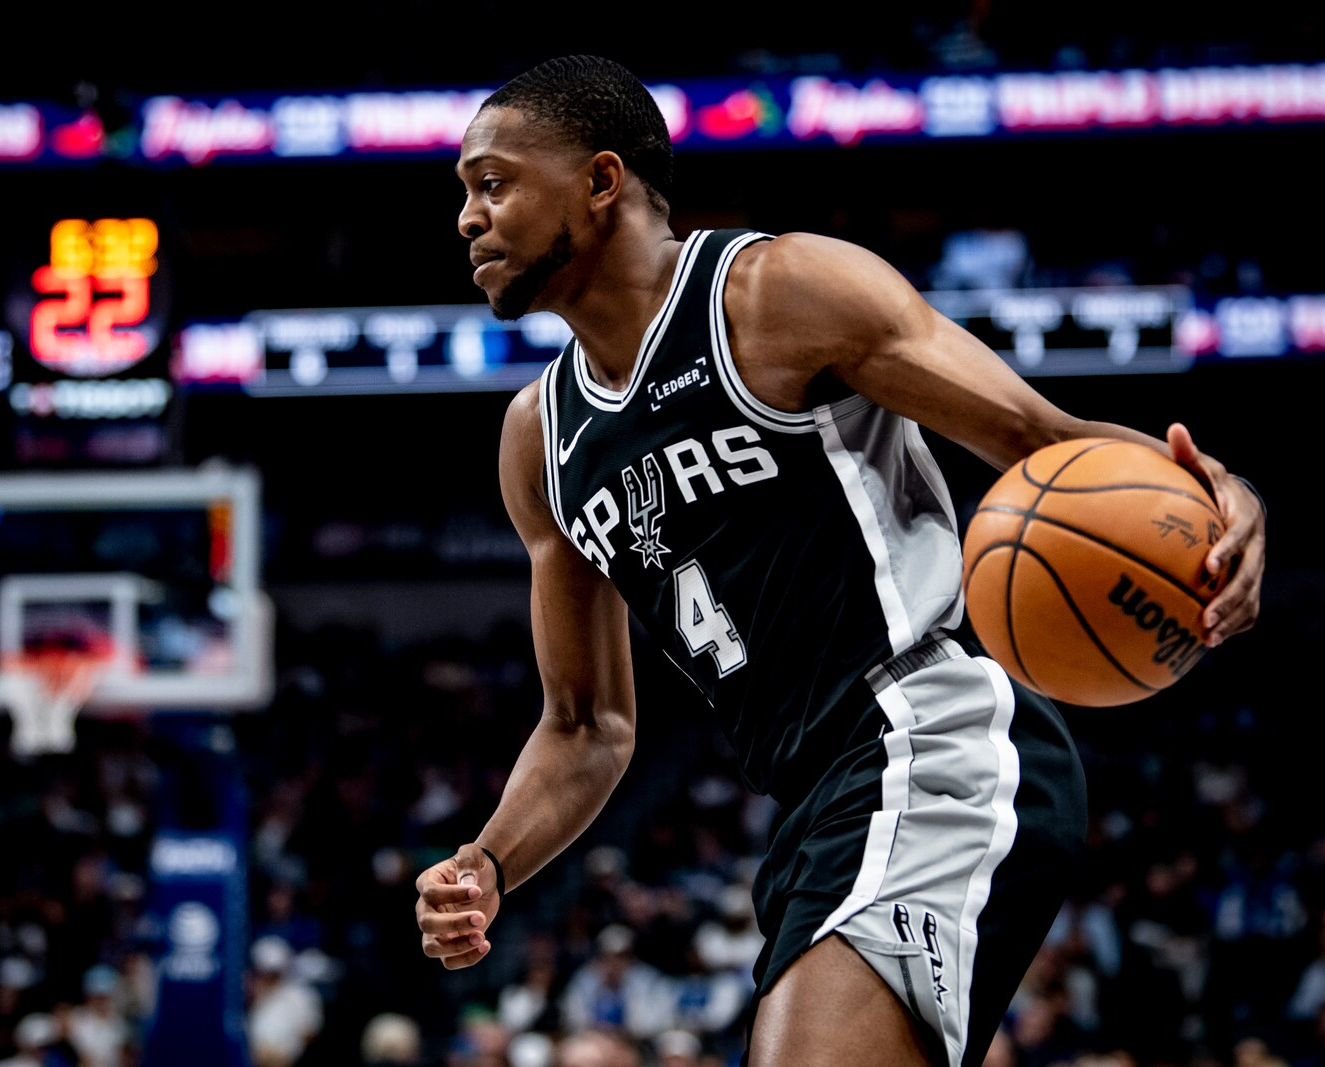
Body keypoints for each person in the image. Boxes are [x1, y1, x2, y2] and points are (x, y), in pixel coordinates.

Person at [413, 55, 1267, 1067]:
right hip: (813, 801)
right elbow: (586, 725)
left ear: (602, 180)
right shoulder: (540, 439)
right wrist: (490, 861)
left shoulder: (777, 293)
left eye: (493, 183)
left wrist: (1220, 494)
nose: (467, 217)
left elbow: (1044, 438)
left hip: (930, 734)